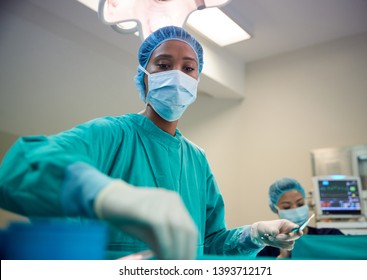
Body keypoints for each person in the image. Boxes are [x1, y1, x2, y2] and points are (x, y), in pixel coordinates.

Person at [0, 26, 302, 260]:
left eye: (188, 68)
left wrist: (255, 235)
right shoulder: (112, 134)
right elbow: (22, 167)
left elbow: (210, 245)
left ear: (197, 81)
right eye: (163, 64)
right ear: (144, 76)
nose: (177, 75)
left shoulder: (196, 160)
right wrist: (108, 195)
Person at [257, 177, 344, 259]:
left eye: (300, 204)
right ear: (276, 209)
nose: (296, 210)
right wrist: (283, 258)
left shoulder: (331, 236)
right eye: (287, 207)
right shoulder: (267, 247)